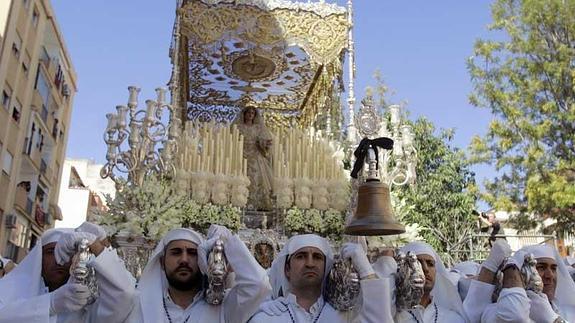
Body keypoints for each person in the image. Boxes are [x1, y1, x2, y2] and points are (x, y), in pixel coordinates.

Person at [126, 224, 270, 323]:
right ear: (162, 262)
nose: (184, 259)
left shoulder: (224, 307)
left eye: (192, 253)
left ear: (203, 260)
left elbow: (259, 285)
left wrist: (227, 243)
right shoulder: (139, 306)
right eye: (176, 253)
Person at [0, 222, 136, 323]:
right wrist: (50, 304)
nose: (58, 260)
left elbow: (124, 296)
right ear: (39, 258)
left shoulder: (85, 304)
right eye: (50, 252)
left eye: (67, 252)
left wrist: (94, 245)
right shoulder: (8, 289)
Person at [249, 234, 393, 323]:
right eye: (301, 256)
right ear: (287, 269)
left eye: (317, 257)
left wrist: (366, 270)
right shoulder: (267, 317)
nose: (310, 263)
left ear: (326, 268)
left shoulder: (346, 316)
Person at [375, 241, 469, 322]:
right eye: (417, 262)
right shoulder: (390, 316)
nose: (425, 269)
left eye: (430, 264)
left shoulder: (453, 319)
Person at [235, 105, 274, 210]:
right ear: (244, 114)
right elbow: (232, 140)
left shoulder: (258, 128)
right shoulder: (238, 127)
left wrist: (265, 143)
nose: (250, 115)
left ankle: (257, 203)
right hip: (241, 154)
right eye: (248, 113)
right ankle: (240, 200)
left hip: (255, 155)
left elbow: (264, 140)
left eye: (252, 113)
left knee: (256, 177)